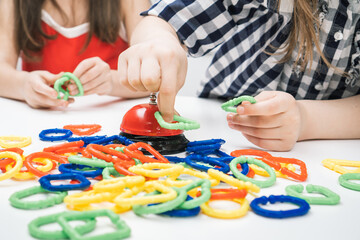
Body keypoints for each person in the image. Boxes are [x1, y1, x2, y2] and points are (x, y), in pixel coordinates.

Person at [118, 0, 360, 151]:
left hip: (335, 143)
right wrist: (159, 39)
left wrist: (307, 120)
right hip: (223, 117)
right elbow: (166, 18)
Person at [0, 0, 150, 109]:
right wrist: (24, 85)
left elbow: (154, 72)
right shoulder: (13, 3)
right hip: (40, 122)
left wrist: (111, 81)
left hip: (113, 122)